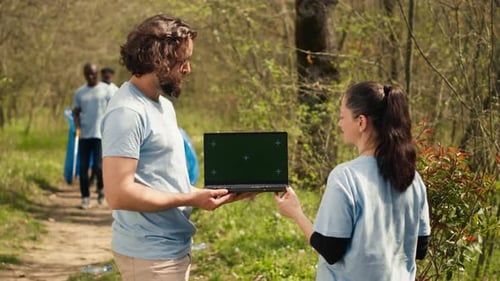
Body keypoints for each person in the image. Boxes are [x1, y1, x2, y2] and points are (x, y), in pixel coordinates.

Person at [101, 14, 250, 280]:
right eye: (183, 61)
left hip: (172, 249)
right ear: (159, 59)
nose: (188, 69)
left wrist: (206, 194)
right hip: (150, 254)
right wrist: (189, 198)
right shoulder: (127, 111)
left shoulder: (163, 106)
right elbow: (119, 194)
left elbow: (161, 182)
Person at [274, 81, 431, 281]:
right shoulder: (413, 179)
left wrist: (296, 213)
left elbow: (330, 250)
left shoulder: (345, 177)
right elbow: (420, 249)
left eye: (342, 117)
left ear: (361, 122)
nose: (339, 124)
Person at [73, 63, 113, 209]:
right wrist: (77, 126)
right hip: (84, 135)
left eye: (93, 73)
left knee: (98, 166)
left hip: (100, 135)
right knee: (83, 168)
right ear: (84, 74)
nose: (91, 76)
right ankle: (85, 198)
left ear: (97, 74)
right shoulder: (80, 93)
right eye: (88, 74)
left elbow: (114, 110)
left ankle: (101, 190)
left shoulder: (106, 90)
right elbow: (76, 112)